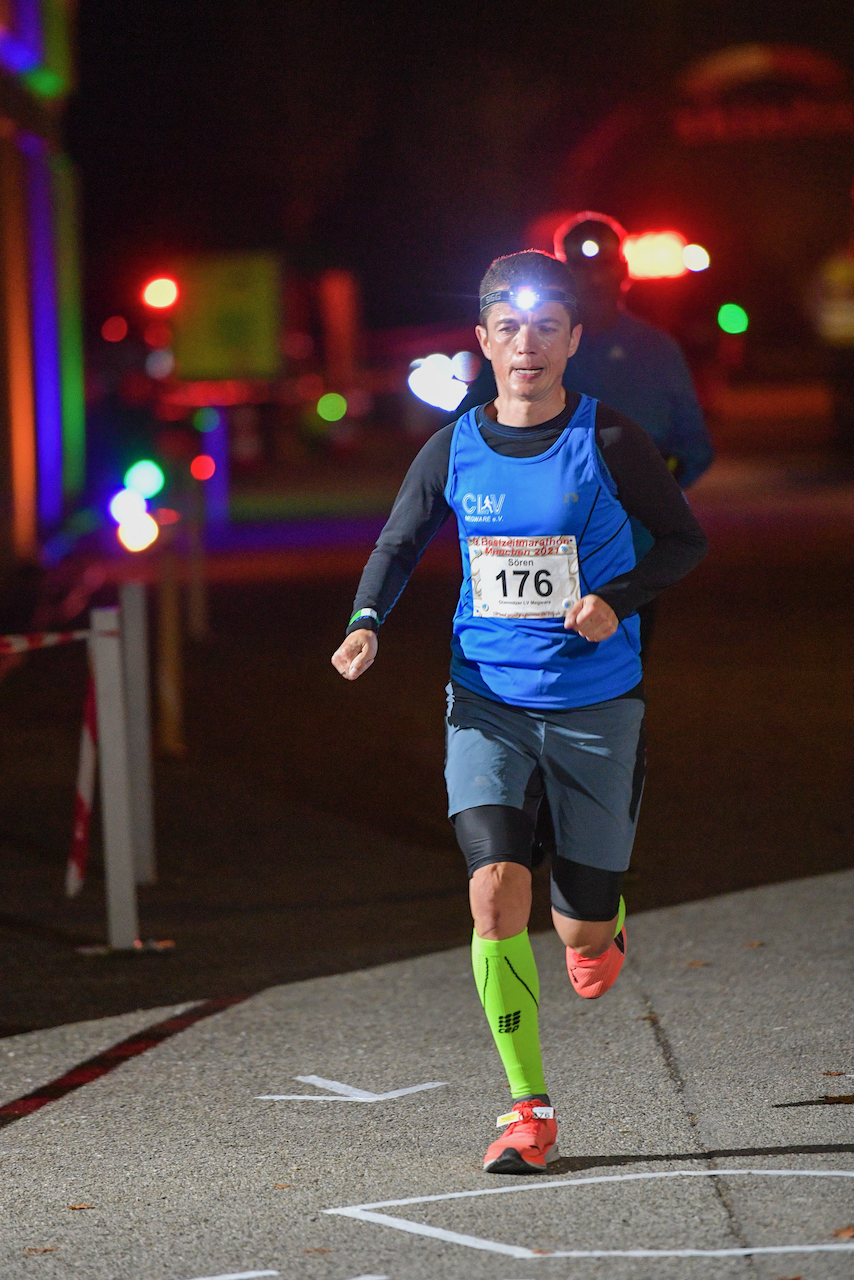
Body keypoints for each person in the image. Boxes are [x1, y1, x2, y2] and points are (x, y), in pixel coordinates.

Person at [332, 251, 707, 1174]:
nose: (526, 346)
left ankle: (601, 922)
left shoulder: (609, 439)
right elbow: (400, 539)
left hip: (594, 703)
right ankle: (527, 1110)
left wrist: (617, 597)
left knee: (577, 931)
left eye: (546, 328)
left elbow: (684, 540)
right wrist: (366, 621)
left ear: (575, 339)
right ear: (484, 342)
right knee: (495, 889)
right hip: (485, 702)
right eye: (508, 328)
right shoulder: (453, 444)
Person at [455, 212, 714, 653]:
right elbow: (466, 430)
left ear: (624, 272)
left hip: (627, 553)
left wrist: (646, 486)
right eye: (579, 267)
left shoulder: (655, 351)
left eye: (604, 265)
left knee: (613, 684)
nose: (593, 278)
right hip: (531, 547)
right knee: (524, 675)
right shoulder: (527, 346)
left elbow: (693, 448)